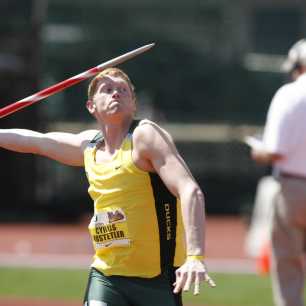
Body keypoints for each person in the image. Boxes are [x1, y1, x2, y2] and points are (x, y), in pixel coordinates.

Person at [0, 67, 215, 306]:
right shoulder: (89, 148)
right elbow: (34, 141)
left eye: (123, 90)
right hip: (107, 277)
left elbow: (190, 190)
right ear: (91, 106)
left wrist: (195, 255)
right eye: (108, 89)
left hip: (159, 280)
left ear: (133, 103)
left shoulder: (144, 137)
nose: (116, 94)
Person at [250, 39, 306, 306]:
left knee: (287, 263)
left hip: (293, 188)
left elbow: (274, 151)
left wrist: (257, 150)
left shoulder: (288, 94)